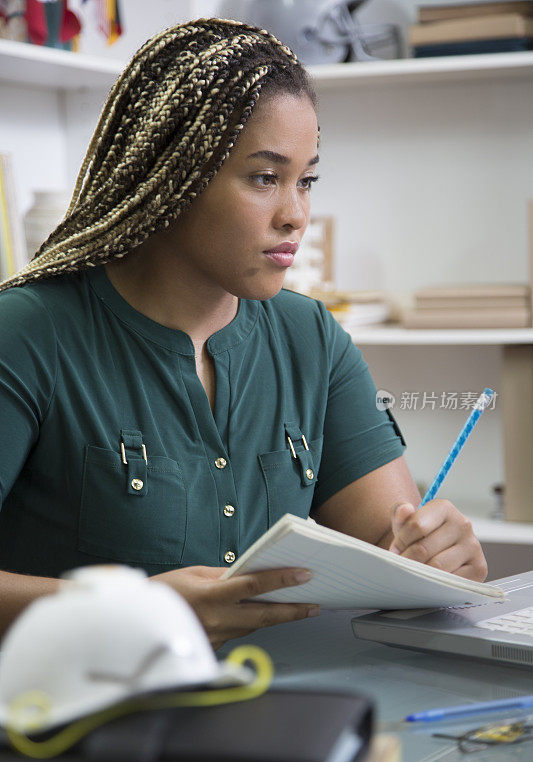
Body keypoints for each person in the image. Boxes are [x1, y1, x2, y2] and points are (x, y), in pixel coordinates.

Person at [0, 17, 487, 650]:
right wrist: (128, 611)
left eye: (306, 179)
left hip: (285, 717)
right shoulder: (28, 333)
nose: (297, 215)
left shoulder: (312, 336)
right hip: (75, 731)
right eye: (265, 178)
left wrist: (435, 558)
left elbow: (387, 545)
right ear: (170, 172)